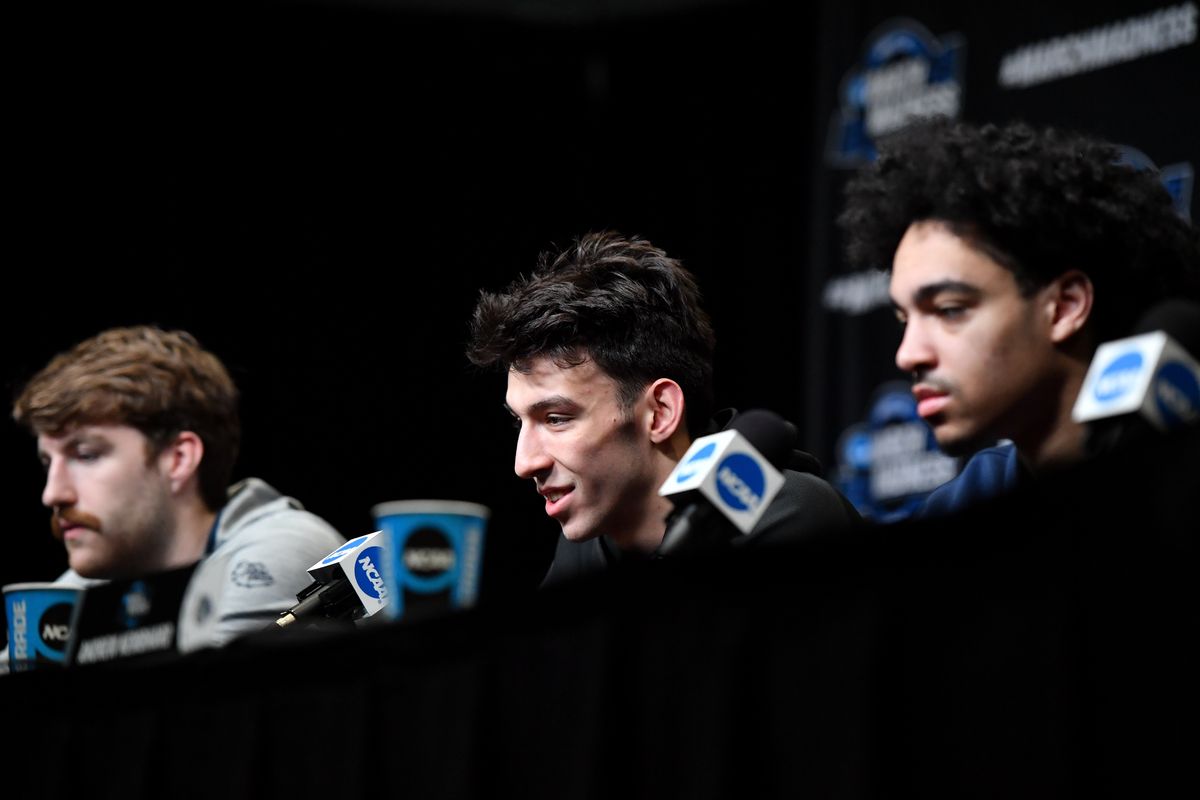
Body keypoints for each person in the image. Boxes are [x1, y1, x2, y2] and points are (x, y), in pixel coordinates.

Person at [838, 119, 1200, 514]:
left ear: (1064, 307)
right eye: (905, 320)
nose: (907, 356)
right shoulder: (963, 504)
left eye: (949, 310)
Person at [467, 231, 859, 584]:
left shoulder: (788, 516)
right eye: (520, 422)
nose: (524, 463)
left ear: (660, 412)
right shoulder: (584, 548)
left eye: (556, 418)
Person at [10, 326, 345, 650]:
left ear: (178, 459)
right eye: (46, 463)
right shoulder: (84, 585)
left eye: (86, 455)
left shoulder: (279, 548)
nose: (52, 494)